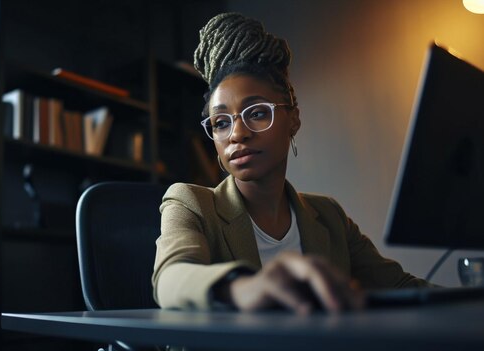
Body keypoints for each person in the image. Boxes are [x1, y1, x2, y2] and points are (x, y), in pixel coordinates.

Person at [152, 12, 431, 314]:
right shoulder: (190, 202)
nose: (237, 134)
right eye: (221, 122)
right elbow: (170, 278)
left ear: (293, 119)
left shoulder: (330, 217)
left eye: (257, 113)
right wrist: (243, 287)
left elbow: (401, 287)